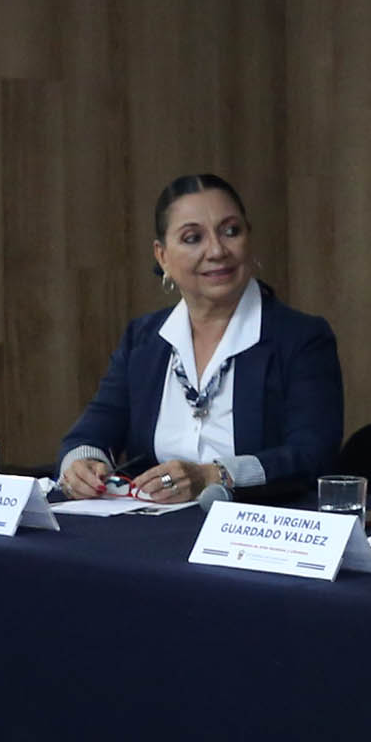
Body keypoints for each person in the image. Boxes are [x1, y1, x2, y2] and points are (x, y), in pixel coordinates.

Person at [57, 173, 341, 505]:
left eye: (231, 231)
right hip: (152, 524)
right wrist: (81, 466)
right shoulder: (143, 340)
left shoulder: (301, 338)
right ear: (162, 256)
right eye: (193, 238)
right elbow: (90, 434)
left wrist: (214, 475)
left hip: (252, 523)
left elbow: (312, 455)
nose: (217, 250)